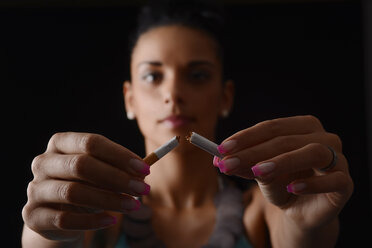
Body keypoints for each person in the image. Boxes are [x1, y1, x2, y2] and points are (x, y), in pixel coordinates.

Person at [21, 1, 354, 247]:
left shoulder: (262, 211)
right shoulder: (100, 217)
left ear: (225, 97)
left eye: (197, 75)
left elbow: (299, 233)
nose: (173, 93)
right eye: (153, 76)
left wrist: (308, 227)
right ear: (130, 99)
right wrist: (45, 230)